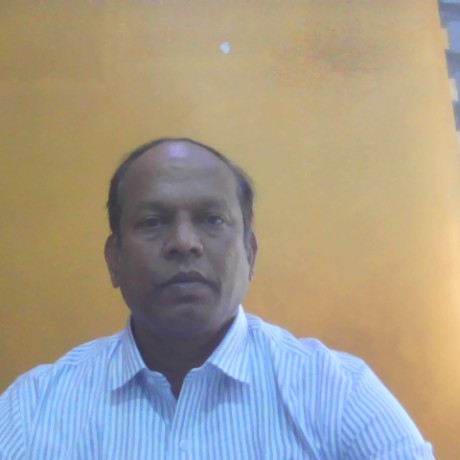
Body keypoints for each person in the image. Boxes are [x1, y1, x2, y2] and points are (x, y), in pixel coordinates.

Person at [0, 138, 434, 459]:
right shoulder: (32, 410)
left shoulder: (339, 394)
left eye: (212, 220)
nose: (184, 243)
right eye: (152, 222)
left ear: (250, 252)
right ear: (114, 260)